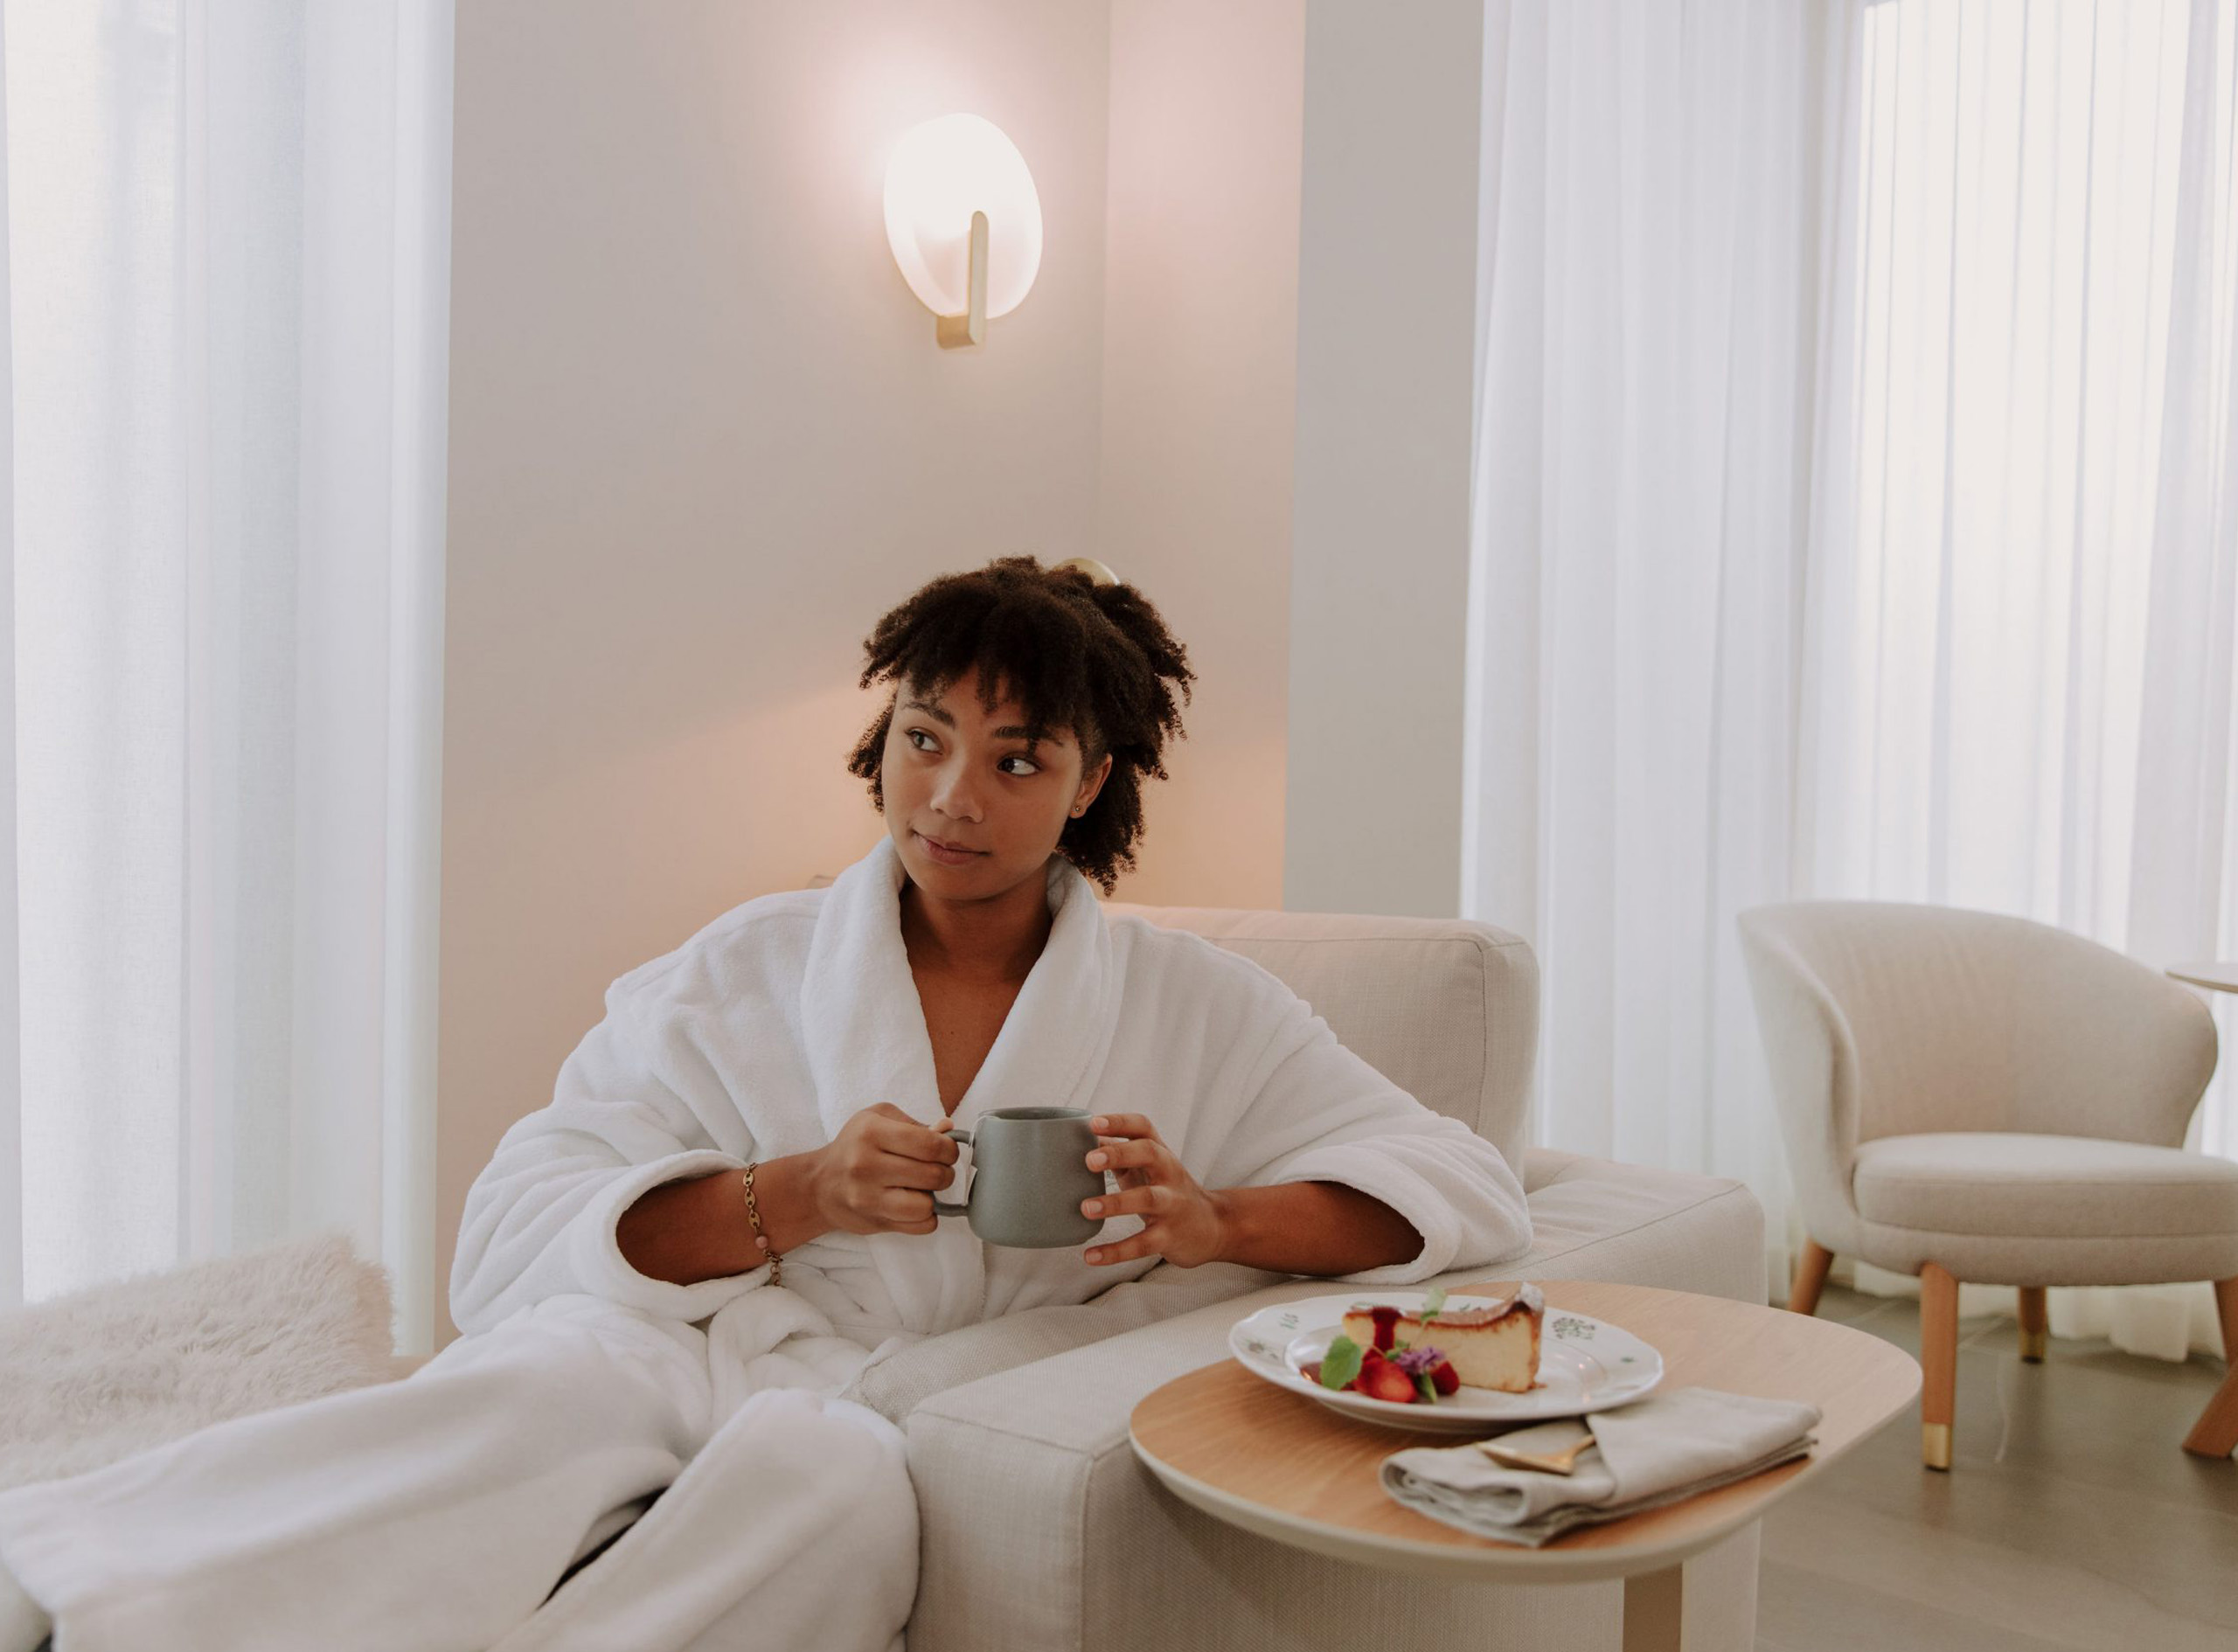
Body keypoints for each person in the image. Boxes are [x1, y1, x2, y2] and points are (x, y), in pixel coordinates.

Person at [0, 555, 1531, 1652]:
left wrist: (1212, 1215)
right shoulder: (751, 961)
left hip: (892, 1409)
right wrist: (790, 1193)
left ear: (1088, 781)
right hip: (712, 1338)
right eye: (925, 738)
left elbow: (1458, 1177)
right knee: (548, 1383)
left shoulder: (1194, 1001)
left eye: (1016, 759)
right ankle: (82, 1575)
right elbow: (516, 1223)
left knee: (833, 1487)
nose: (953, 795)